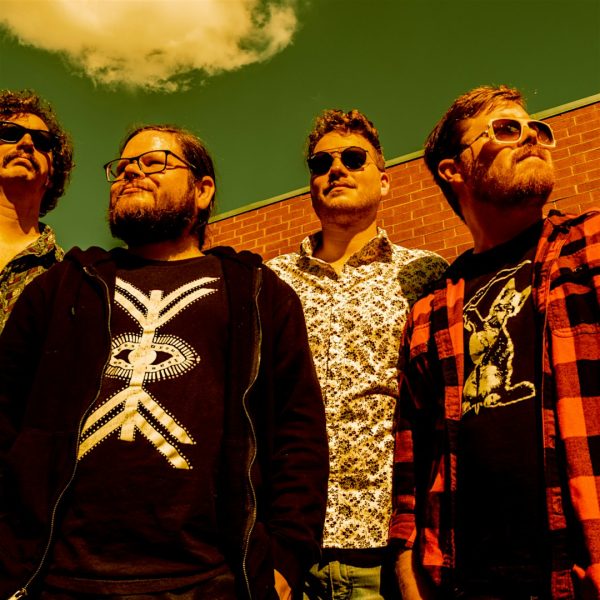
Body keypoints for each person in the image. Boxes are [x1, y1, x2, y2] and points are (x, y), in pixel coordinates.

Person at [0, 124, 329, 600]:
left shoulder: (259, 295)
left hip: (209, 582)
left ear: (203, 190)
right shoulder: (64, 287)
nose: (131, 173)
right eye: (122, 168)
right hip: (55, 580)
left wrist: (286, 561)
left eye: (154, 163)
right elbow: (5, 413)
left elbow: (299, 433)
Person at [389, 85, 600, 600]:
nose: (531, 137)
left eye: (536, 128)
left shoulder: (591, 247)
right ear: (453, 169)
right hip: (466, 583)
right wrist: (407, 568)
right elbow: (412, 462)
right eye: (506, 129)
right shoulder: (428, 312)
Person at [268, 109, 448, 598]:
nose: (336, 169)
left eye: (353, 158)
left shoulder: (426, 274)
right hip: (285, 550)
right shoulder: (272, 280)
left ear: (384, 181)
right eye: (321, 162)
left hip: (388, 551)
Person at [0, 89, 73, 333]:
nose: (27, 143)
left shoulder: (67, 276)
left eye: (42, 141)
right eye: (9, 133)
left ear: (52, 174)